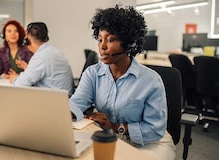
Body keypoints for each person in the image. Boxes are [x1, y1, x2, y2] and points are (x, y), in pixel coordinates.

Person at [69, 5, 176, 160]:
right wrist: (66, 112)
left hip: (150, 143)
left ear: (129, 43)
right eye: (100, 40)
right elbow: (78, 102)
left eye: (110, 39)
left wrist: (115, 127)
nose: (102, 46)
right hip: (109, 137)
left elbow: (155, 129)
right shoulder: (93, 73)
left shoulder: (151, 81)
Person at [9, 22, 74, 96]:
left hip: (54, 102)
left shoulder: (41, 56)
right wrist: (28, 69)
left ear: (27, 40)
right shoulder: (52, 51)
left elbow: (20, 84)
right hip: (62, 99)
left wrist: (14, 79)